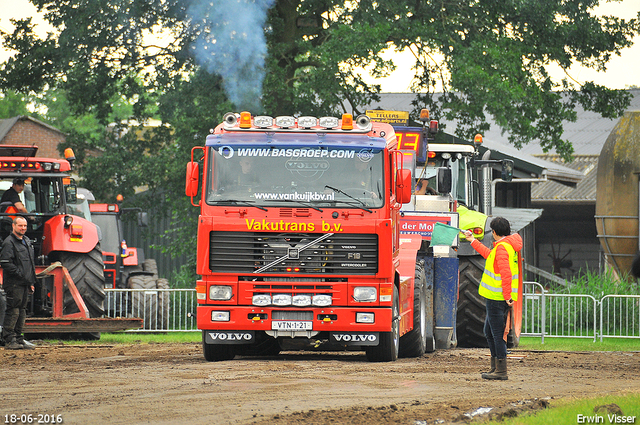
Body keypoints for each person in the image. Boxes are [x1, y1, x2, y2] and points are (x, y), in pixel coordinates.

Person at [464, 217, 522, 380]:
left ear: (494, 232)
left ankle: (501, 370)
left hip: (498, 297)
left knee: (496, 334)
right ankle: (495, 367)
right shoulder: (506, 246)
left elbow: (506, 273)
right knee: (489, 332)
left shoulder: (503, 247)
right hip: (496, 297)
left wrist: (507, 296)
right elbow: (489, 256)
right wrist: (473, 241)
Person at [0, 216, 37, 350]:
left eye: (25, 226)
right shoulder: (9, 243)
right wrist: (21, 276)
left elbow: (30, 264)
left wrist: (30, 281)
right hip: (14, 283)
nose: (23, 228)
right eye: (20, 226)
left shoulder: (26, 241)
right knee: (13, 310)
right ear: (13, 226)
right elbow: (6, 263)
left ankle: (19, 338)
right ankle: (9, 339)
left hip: (24, 283)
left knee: (22, 310)